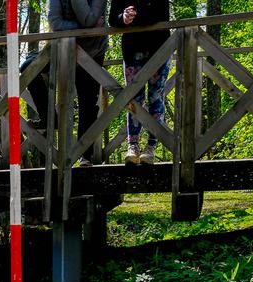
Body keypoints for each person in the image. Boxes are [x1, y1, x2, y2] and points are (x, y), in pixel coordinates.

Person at [26, 0, 109, 167]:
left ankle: (84, 155)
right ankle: (49, 117)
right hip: (62, 48)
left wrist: (83, 26)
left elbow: (90, 19)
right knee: (28, 69)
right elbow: (56, 23)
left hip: (92, 52)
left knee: (88, 103)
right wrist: (86, 28)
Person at [109, 0, 170, 165]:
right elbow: (112, 19)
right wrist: (124, 17)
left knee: (156, 97)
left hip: (160, 48)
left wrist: (134, 16)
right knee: (133, 99)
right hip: (132, 49)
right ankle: (132, 146)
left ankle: (151, 147)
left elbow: (162, 14)